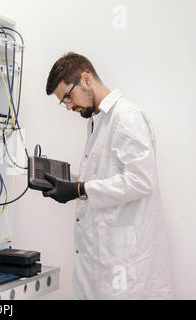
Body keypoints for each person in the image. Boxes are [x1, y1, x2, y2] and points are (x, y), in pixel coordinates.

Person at [43, 52, 173, 299]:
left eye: (68, 97)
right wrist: (68, 181)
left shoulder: (126, 117)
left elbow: (141, 180)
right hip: (103, 260)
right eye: (64, 102)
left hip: (125, 264)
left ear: (86, 79)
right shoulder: (97, 121)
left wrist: (80, 189)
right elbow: (104, 174)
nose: (69, 106)